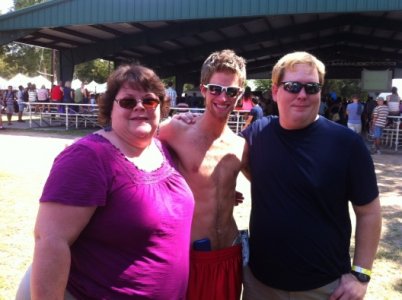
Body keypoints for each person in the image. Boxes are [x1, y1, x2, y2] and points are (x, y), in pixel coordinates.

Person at [15, 64, 195, 300]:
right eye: (128, 102)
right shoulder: (88, 157)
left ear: (161, 107)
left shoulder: (163, 149)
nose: (140, 107)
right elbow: (50, 241)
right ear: (110, 108)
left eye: (149, 101)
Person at [241, 51, 382, 300]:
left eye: (312, 87)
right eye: (293, 86)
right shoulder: (256, 135)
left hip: (324, 288)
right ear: (275, 91)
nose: (302, 95)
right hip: (261, 285)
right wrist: (184, 122)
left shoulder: (347, 144)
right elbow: (217, 153)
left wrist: (361, 274)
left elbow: (369, 212)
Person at [158, 49, 249, 300]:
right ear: (203, 89)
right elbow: (133, 146)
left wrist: (228, 192)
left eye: (231, 91)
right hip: (189, 257)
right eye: (215, 89)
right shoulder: (175, 131)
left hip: (230, 255)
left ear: (239, 95)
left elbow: (269, 185)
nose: (223, 97)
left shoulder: (240, 146)